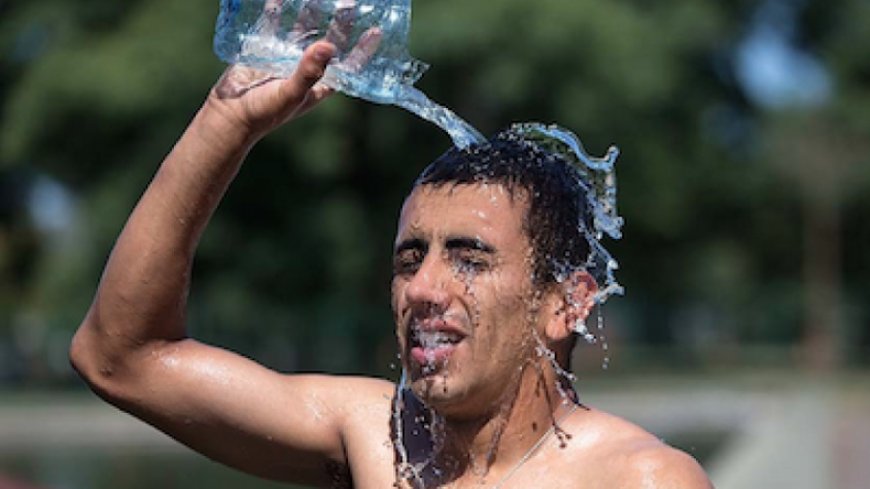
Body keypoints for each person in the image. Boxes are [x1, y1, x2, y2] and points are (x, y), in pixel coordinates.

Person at [70, 39, 712, 488]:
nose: (423, 289)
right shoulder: (377, 439)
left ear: (567, 302)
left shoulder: (639, 478)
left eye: (470, 259)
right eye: (410, 259)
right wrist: (224, 123)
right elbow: (120, 357)